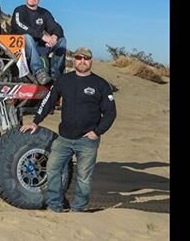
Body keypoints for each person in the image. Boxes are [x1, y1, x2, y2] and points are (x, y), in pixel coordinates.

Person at [20, 47, 117, 213]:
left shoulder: (100, 84)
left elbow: (110, 113)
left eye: (86, 58)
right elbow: (49, 101)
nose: (82, 61)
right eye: (79, 58)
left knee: (84, 177)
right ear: (74, 60)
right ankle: (54, 205)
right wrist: (35, 122)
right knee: (52, 169)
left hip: (87, 140)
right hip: (64, 138)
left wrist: (97, 131)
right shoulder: (64, 80)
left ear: (91, 61)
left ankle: (78, 208)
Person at [11, 0, 66, 84]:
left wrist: (54, 36)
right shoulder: (19, 10)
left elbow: (57, 27)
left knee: (62, 40)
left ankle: (56, 74)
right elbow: (20, 26)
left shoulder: (44, 13)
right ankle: (38, 71)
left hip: (39, 47)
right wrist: (42, 36)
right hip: (21, 47)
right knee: (27, 37)